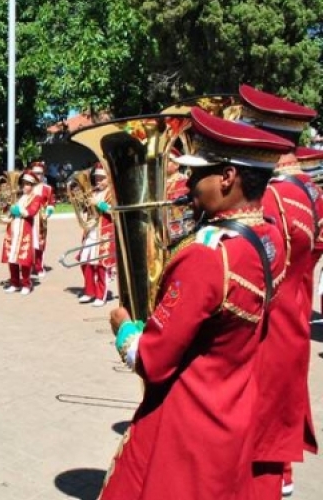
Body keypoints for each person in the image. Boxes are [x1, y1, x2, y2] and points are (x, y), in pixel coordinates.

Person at [101, 107, 291, 500]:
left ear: (227, 177)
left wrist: (125, 329)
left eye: (198, 173)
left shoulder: (207, 257)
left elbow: (152, 360)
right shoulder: (270, 237)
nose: (188, 182)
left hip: (186, 421)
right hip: (231, 407)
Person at [238, 84, 322, 500]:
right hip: (293, 319)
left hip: (266, 330)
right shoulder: (307, 193)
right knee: (276, 419)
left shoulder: (269, 197)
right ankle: (281, 474)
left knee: (257, 439)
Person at [77, 164, 116, 306]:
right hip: (91, 232)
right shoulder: (92, 192)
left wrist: (99, 204)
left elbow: (115, 212)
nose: (98, 181)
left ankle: (101, 295)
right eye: (97, 178)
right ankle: (89, 291)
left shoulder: (113, 192)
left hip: (104, 232)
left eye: (102, 178)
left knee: (101, 266)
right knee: (85, 262)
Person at [1, 171, 42, 295]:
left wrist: (18, 210)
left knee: (24, 259)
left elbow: (31, 212)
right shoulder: (17, 196)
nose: (24, 186)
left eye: (28, 184)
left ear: (33, 185)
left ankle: (26, 284)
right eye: (23, 183)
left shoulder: (36, 197)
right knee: (12, 258)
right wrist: (5, 205)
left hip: (25, 230)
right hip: (12, 229)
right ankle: (14, 283)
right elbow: (8, 211)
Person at [30, 160, 55, 278]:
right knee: (27, 243)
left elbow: (51, 202)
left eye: (39, 173)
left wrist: (49, 210)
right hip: (28, 219)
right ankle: (28, 265)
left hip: (40, 220)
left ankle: (39, 266)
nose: (37, 175)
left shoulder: (47, 188)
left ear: (43, 174)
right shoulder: (27, 187)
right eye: (35, 173)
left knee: (40, 244)